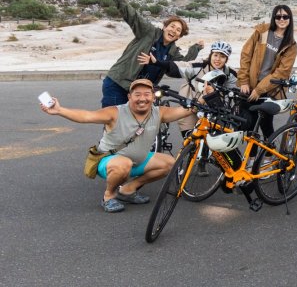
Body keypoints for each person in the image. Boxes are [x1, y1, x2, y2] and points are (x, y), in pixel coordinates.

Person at [40, 78, 196, 213]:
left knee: (170, 163)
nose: (142, 98)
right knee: (124, 164)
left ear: (153, 97)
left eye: (147, 94)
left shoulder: (159, 112)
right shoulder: (115, 112)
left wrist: (203, 98)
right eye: (137, 94)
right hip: (110, 161)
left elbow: (185, 111)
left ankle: (128, 190)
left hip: (138, 161)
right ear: (129, 97)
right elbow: (87, 116)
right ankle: (109, 196)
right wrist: (59, 110)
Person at [100, 0, 203, 107]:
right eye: (172, 26)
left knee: (137, 125)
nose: (173, 31)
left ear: (179, 36)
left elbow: (181, 67)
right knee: (114, 120)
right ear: (164, 27)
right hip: (119, 83)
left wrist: (196, 49)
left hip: (142, 92)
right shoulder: (148, 32)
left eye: (178, 30)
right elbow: (132, 16)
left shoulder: (173, 52)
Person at [139, 40, 238, 138]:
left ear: (226, 59)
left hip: (214, 108)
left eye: (222, 56)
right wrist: (156, 62)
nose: (218, 59)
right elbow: (177, 66)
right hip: (191, 104)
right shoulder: (199, 66)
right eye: (215, 55)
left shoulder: (230, 74)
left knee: (215, 141)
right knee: (190, 138)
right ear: (211, 55)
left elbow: (236, 91)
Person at [237, 5, 297, 138]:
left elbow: (282, 72)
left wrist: (259, 90)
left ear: (290, 19)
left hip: (269, 89)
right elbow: (246, 54)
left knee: (266, 124)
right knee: (248, 124)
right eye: (278, 16)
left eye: (285, 16)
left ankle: (269, 156)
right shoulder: (262, 32)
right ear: (274, 18)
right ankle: (252, 158)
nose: (281, 19)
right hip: (249, 85)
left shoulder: (290, 45)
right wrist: (244, 81)